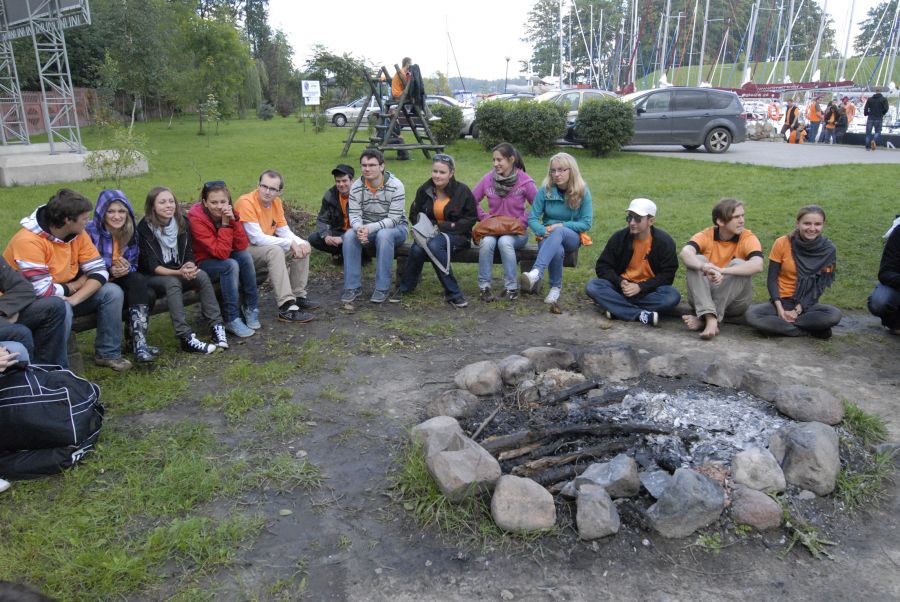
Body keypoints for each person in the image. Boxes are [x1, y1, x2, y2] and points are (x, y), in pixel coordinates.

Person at [3, 189, 131, 370]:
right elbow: (42, 291)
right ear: (67, 221)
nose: (89, 222)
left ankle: (108, 354)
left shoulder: (78, 233)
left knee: (112, 292)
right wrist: (77, 284)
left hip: (64, 296)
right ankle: (57, 369)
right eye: (85, 218)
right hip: (21, 308)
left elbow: (99, 271)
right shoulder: (28, 241)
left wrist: (74, 299)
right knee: (59, 307)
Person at [138, 187, 224, 354]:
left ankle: (217, 326)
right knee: (172, 282)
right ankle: (185, 337)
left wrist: (190, 266)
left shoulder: (182, 222)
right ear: (152, 206)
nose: (168, 205)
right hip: (153, 277)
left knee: (201, 275)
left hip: (178, 271)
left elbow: (188, 254)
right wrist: (179, 272)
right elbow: (152, 266)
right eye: (162, 202)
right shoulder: (144, 228)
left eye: (171, 201)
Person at [391, 153, 476, 306]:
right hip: (429, 235)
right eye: (435, 171)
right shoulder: (425, 189)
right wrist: (425, 227)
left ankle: (453, 293)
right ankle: (405, 288)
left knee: (434, 245)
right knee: (417, 249)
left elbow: (470, 219)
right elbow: (414, 214)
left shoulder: (462, 191)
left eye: (442, 172)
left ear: (451, 173)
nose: (437, 176)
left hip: (457, 235)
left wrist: (444, 227)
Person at [745, 205, 841, 338]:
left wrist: (797, 311)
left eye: (817, 224)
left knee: (834, 314)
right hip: (781, 301)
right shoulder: (782, 243)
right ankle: (811, 330)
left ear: (823, 225)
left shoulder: (828, 249)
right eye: (807, 223)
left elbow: (819, 287)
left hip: (807, 304)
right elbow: (772, 279)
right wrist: (780, 310)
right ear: (798, 223)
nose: (812, 228)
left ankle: (777, 328)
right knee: (752, 315)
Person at [235, 170, 318, 323]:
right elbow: (256, 238)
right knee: (275, 251)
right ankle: (286, 307)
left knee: (303, 246)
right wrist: (290, 244)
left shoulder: (276, 203)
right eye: (264, 186)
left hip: (262, 248)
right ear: (258, 185)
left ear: (279, 192)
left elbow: (284, 231)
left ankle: (297, 296)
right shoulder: (246, 202)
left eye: (272, 189)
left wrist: (300, 243)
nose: (267, 192)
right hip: (243, 252)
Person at [85, 189, 157, 363]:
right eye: (111, 211)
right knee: (143, 289)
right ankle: (136, 344)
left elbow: (133, 264)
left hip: (119, 278)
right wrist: (110, 272)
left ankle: (137, 342)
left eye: (121, 211)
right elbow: (84, 267)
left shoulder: (130, 231)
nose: (117, 216)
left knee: (147, 291)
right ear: (102, 212)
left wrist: (126, 269)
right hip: (93, 282)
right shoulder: (90, 232)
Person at [585, 198, 680, 326]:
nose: (632, 223)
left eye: (638, 219)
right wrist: (620, 282)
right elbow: (603, 266)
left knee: (672, 296)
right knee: (593, 286)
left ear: (651, 221)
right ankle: (640, 314)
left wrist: (641, 287)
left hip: (648, 291)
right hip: (621, 288)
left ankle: (617, 309)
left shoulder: (664, 242)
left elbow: (667, 275)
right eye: (629, 218)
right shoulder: (619, 238)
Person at [680, 198, 764, 339]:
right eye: (736, 217)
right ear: (720, 221)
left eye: (743, 215)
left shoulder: (748, 237)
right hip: (703, 297)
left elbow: (758, 264)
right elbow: (685, 253)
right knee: (697, 260)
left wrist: (722, 271)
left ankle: (707, 319)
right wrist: (705, 267)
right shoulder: (707, 235)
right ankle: (711, 318)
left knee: (739, 264)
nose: (742, 220)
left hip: (735, 303)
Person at [519, 152, 593, 305]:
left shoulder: (582, 191)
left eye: (561, 170)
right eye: (553, 170)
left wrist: (562, 225)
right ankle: (555, 288)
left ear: (571, 170)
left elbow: (586, 223)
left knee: (559, 231)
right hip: (547, 235)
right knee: (557, 250)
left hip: (571, 236)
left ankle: (536, 272)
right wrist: (541, 230)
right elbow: (532, 218)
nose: (556, 174)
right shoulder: (545, 190)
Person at [188, 180, 259, 338]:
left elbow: (241, 245)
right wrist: (226, 225)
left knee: (245, 257)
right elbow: (220, 253)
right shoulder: (196, 220)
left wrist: (233, 220)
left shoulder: (228, 213)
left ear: (228, 202)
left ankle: (251, 307)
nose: (219, 206)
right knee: (230, 265)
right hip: (203, 262)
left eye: (223, 202)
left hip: (223, 254)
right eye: (214, 202)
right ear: (205, 202)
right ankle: (231, 318)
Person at [341, 149, 408, 304]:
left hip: (396, 229)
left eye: (372, 165)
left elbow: (394, 219)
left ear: (382, 166)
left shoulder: (396, 185)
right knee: (349, 235)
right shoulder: (356, 187)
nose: (367, 169)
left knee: (383, 235)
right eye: (364, 165)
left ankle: (382, 288)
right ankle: (352, 287)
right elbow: (355, 216)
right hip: (367, 229)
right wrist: (359, 229)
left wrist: (368, 228)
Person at [472, 142, 537, 302]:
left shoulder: (525, 181)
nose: (495, 164)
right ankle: (484, 287)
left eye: (499, 160)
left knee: (505, 242)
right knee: (486, 243)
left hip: (516, 232)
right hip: (493, 230)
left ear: (511, 160)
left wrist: (522, 222)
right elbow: (471, 199)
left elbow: (538, 205)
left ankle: (511, 288)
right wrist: (484, 218)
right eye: (494, 160)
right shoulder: (488, 179)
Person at [0, 256, 69, 367]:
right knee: (21, 332)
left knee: (54, 306)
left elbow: (24, 288)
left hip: (4, 316)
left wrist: (5, 310)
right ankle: (33, 379)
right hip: (4, 321)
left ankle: (52, 372)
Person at [309, 164, 362, 262]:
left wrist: (343, 238)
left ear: (352, 181)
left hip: (357, 232)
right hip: (339, 231)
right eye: (338, 181)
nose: (341, 184)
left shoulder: (361, 195)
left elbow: (366, 224)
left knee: (364, 239)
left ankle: (356, 256)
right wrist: (326, 235)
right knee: (313, 238)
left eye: (344, 181)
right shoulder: (330, 195)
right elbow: (322, 219)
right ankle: (344, 254)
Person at [868, 220, 900, 335]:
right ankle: (894, 323)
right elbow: (885, 273)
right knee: (879, 302)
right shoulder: (898, 232)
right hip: (897, 285)